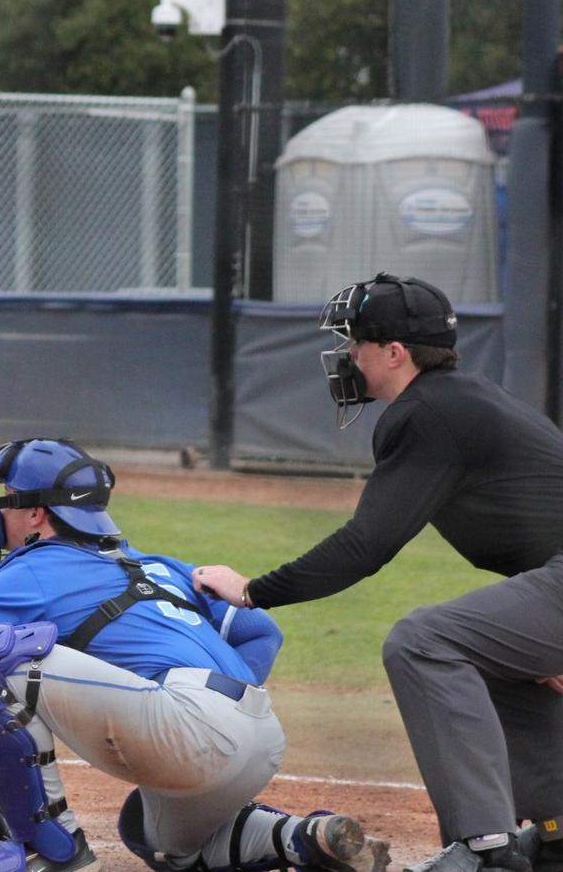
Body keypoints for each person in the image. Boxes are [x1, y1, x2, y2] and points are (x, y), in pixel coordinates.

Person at [193, 273, 563, 872]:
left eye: (357, 342)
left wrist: (255, 591)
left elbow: (367, 545)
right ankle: (554, 833)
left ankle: (484, 847)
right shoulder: (462, 400)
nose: (347, 355)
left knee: (424, 642)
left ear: (394, 353)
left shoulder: (428, 413)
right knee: (486, 654)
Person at [0, 437, 391, 872]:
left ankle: (50, 855)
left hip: (186, 730)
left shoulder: (36, 567)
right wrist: (221, 714)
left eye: (4, 500)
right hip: (261, 740)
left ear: (36, 514)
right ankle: (306, 838)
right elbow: (263, 634)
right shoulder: (159, 566)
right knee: (160, 843)